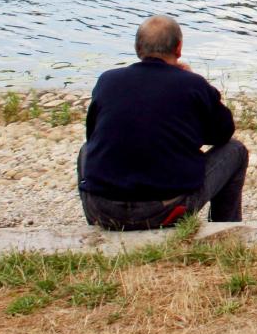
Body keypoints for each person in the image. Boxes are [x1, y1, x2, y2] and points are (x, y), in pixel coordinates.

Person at [77, 15, 247, 230]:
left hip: (102, 211)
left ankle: (101, 219)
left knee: (87, 149)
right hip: (164, 211)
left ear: (138, 48)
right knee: (236, 150)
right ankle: (225, 229)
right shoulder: (192, 84)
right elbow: (223, 133)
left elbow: (92, 136)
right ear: (179, 48)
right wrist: (197, 86)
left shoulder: (107, 80)